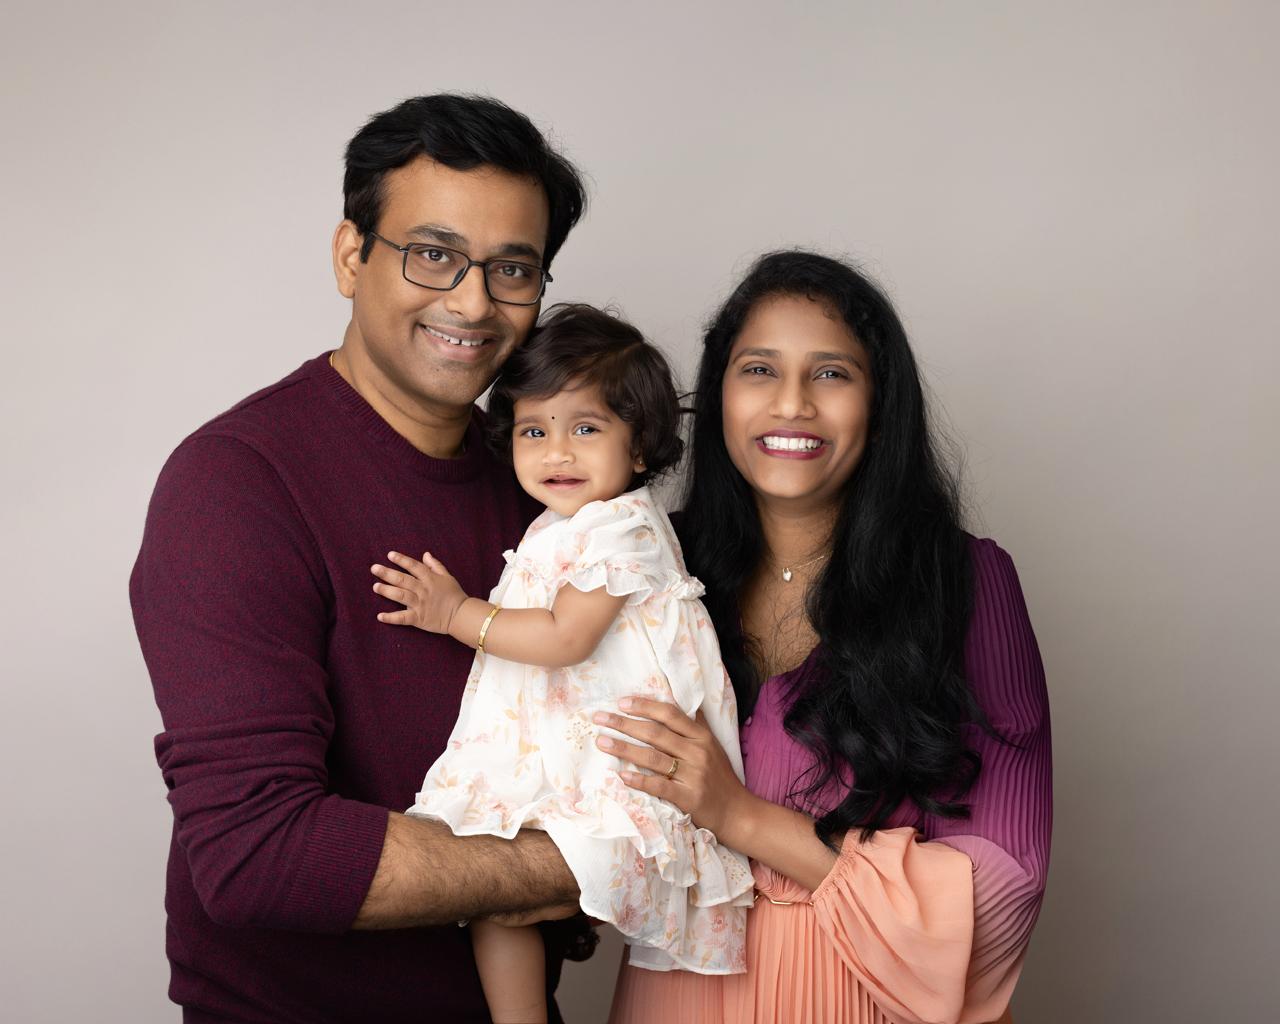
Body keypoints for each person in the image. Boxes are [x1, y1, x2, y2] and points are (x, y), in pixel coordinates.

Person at [130, 94, 591, 1023]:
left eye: (512, 269)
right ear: (352, 256)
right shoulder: (236, 484)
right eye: (433, 254)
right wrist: (568, 866)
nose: (472, 301)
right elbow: (257, 851)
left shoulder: (544, 487)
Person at [602, 251, 1052, 1023]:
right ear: (718, 400)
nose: (792, 404)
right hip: (673, 995)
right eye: (759, 370)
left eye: (832, 374)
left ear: (880, 406)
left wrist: (741, 817)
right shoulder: (640, 567)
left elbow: (1006, 879)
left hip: (867, 1000)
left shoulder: (965, 583)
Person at [371, 304, 754, 1023]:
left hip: (615, 758)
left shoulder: (624, 529)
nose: (558, 453)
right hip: (559, 745)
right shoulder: (561, 525)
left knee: (529, 880)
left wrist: (455, 614)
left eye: (585, 428)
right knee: (496, 894)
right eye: (534, 431)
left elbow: (566, 637)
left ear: (639, 447)